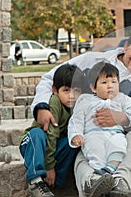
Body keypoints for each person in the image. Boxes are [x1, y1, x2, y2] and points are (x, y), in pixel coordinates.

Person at [30, 28, 131, 197]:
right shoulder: (94, 59)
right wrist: (41, 106)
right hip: (89, 128)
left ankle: (121, 184)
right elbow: (50, 78)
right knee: (82, 144)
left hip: (121, 133)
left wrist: (120, 118)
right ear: (126, 46)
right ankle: (90, 183)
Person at [67, 62, 131, 197]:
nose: (110, 85)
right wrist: (75, 135)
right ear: (93, 88)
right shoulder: (85, 100)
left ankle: (115, 180)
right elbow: (76, 119)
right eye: (104, 82)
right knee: (94, 153)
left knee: (119, 148)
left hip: (116, 135)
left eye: (114, 82)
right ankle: (94, 181)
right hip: (92, 135)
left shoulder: (123, 99)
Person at [18, 64, 85, 197]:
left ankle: (57, 185)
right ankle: (35, 181)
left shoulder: (79, 106)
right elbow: (51, 134)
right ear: (55, 90)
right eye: (66, 90)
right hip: (35, 144)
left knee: (71, 142)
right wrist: (49, 167)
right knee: (37, 134)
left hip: (53, 148)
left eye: (76, 91)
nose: (72, 96)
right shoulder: (55, 102)